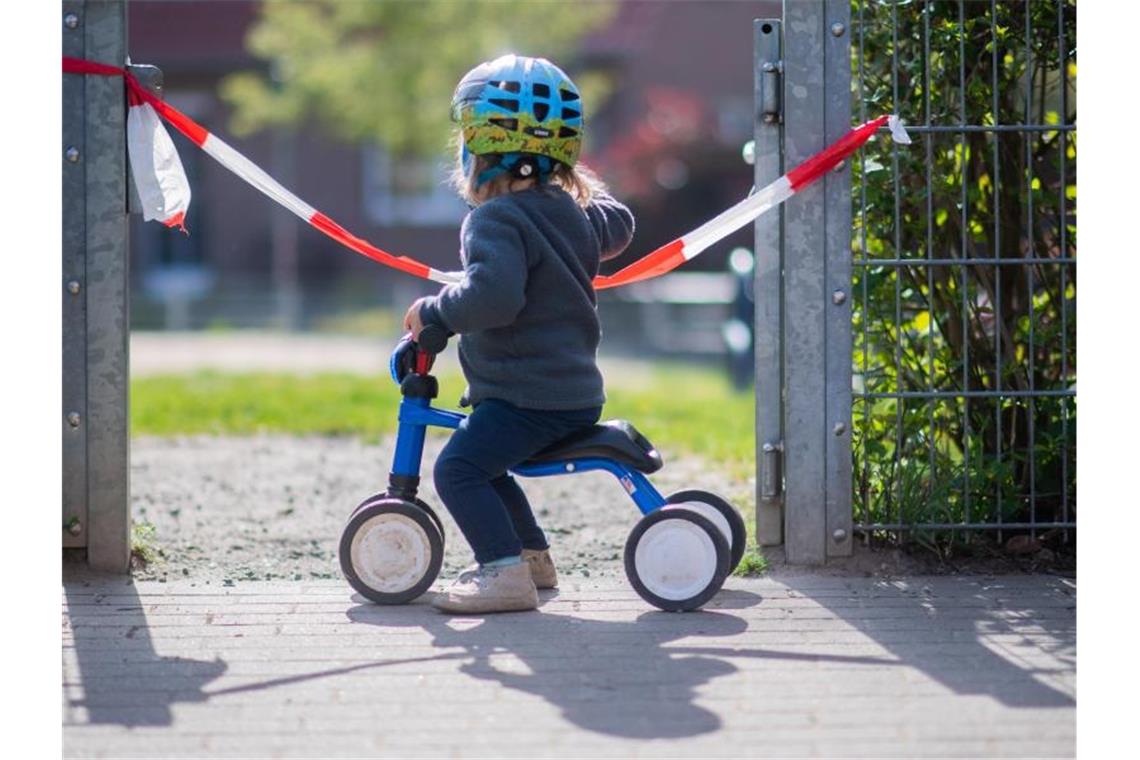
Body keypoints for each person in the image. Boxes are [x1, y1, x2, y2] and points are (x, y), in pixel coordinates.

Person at [402, 54, 634, 614]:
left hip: (526, 397)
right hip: (569, 394)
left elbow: (494, 298)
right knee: (487, 464)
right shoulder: (572, 213)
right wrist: (567, 184)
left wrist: (434, 314)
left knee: (457, 469)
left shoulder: (496, 220)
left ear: (477, 151)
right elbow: (619, 221)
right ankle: (531, 557)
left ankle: (504, 574)